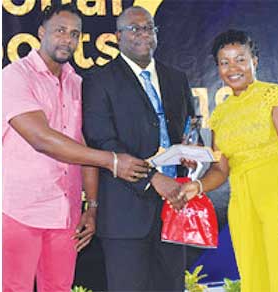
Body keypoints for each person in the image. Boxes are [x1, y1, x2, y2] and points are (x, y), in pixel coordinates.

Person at [1, 4, 151, 291]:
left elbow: (83, 145)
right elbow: (41, 139)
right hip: (19, 209)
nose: (67, 39)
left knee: (59, 287)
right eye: (60, 31)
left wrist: (91, 207)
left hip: (65, 212)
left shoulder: (77, 82)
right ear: (41, 33)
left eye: (74, 34)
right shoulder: (16, 76)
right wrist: (113, 161)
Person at [179, 29, 278, 291]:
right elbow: (220, 169)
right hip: (241, 206)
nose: (233, 68)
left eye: (240, 59)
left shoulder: (274, 96)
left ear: (255, 61)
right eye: (224, 62)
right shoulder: (221, 115)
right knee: (254, 279)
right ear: (217, 68)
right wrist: (199, 186)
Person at [81, 6, 196, 291]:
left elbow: (189, 128)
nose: (143, 34)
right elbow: (101, 140)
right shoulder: (99, 79)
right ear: (118, 36)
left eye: (149, 28)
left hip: (174, 210)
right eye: (135, 28)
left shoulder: (176, 78)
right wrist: (153, 179)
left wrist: (195, 154)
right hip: (125, 215)